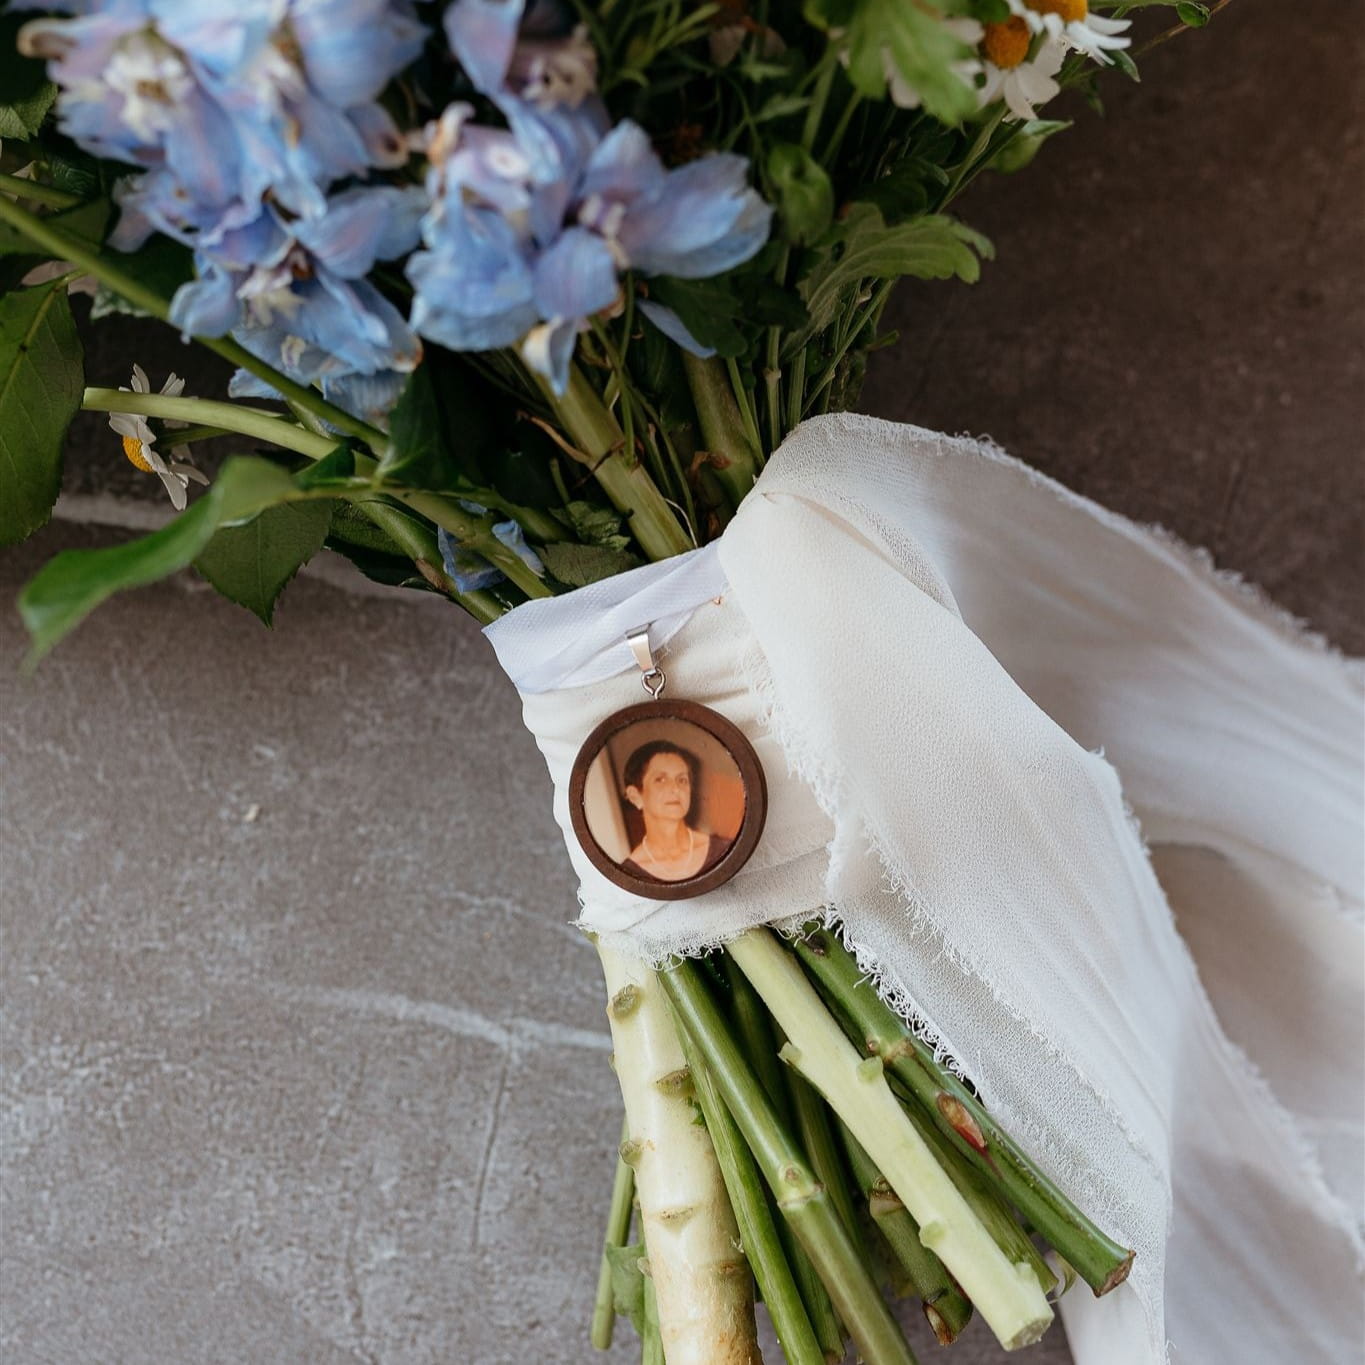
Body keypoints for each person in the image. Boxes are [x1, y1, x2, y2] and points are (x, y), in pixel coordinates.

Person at [617, 739, 729, 882]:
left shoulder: (722, 850)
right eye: (660, 780)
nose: (676, 789)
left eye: (682, 780)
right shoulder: (627, 876)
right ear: (635, 796)